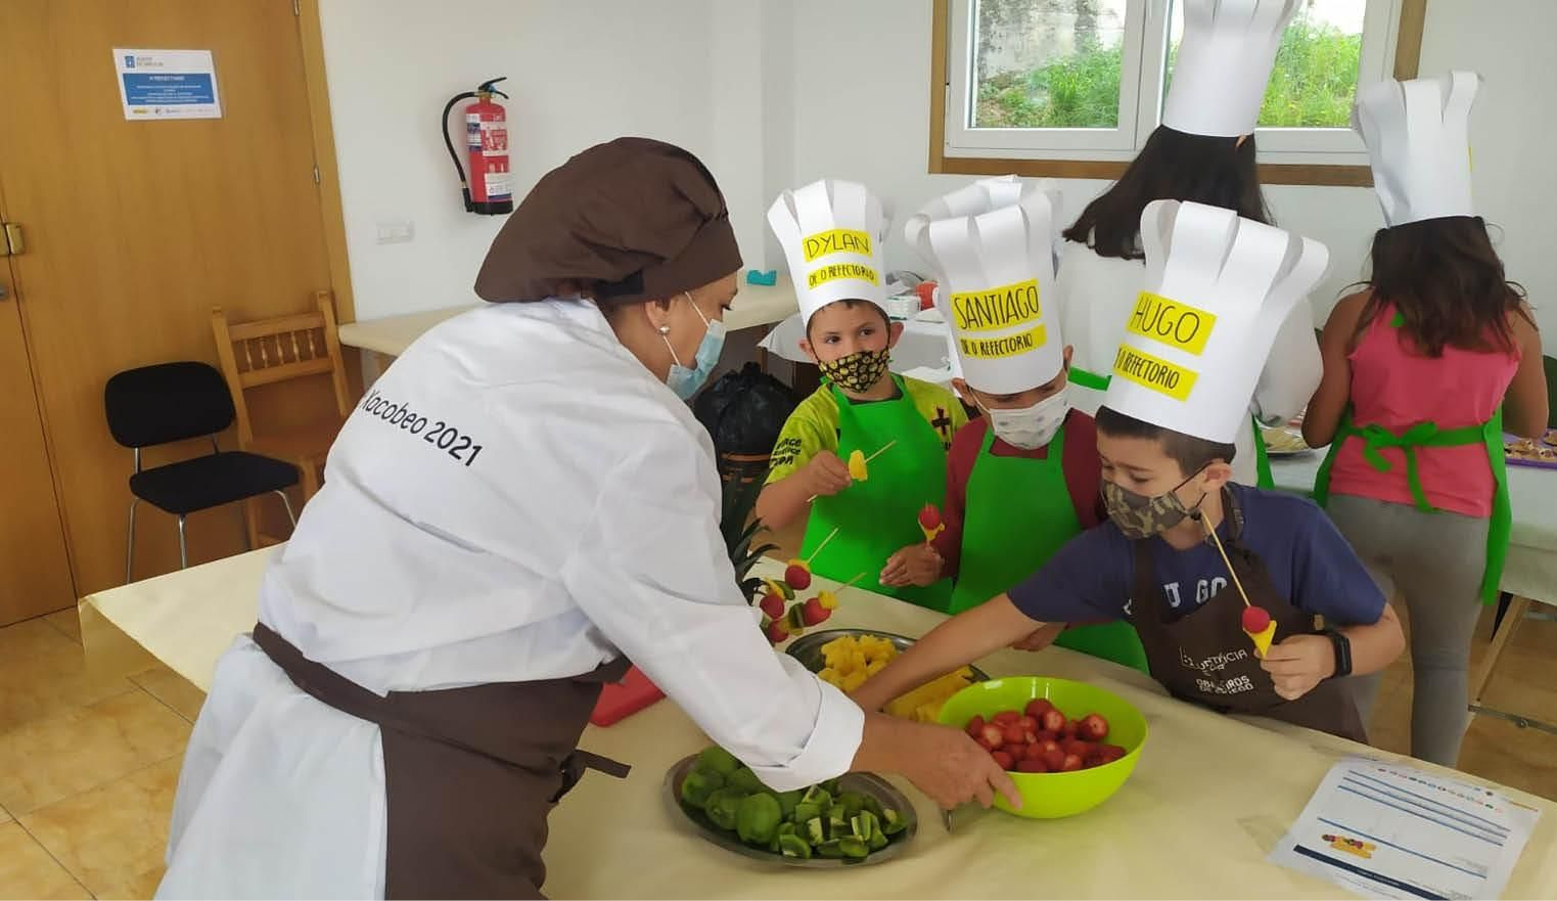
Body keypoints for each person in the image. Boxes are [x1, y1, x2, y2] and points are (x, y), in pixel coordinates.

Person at [157, 139, 1013, 900]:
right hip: (399, 785)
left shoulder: (453, 348)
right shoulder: (634, 429)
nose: (717, 332)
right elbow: (755, 711)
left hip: (266, 717)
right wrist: (914, 751)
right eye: (715, 308)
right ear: (658, 303)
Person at [854, 200, 1404, 742]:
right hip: (1197, 738)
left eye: (1139, 480)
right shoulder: (1117, 549)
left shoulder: (1292, 530)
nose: (1117, 490)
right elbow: (988, 625)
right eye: (1109, 468)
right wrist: (863, 703)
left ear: (1213, 475)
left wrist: (1330, 653)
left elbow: (1387, 634)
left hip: (1303, 740)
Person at [1304, 72, 1548, 766]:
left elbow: (1318, 431)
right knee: (1443, 665)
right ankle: (1427, 795)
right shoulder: (1513, 317)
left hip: (1359, 502)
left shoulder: (1359, 310)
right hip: (1458, 512)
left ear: (1393, 238)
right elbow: (1532, 423)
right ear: (1474, 236)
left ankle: (1330, 782)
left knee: (1357, 647)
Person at [1055, 0, 1321, 487]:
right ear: (1241, 150)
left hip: (1084, 450)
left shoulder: (1089, 236)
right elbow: (1284, 397)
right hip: (1197, 472)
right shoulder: (1259, 258)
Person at [901, 182, 1146, 671]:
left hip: (1086, 653)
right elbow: (955, 536)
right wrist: (931, 560)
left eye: (1048, 386)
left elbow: (1133, 561)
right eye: (1007, 398)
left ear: (1067, 364)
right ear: (966, 392)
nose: (1033, 406)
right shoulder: (967, 445)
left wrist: (1067, 616)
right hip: (975, 643)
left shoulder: (1096, 446)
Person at [757, 178, 965, 610]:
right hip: (836, 594)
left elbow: (967, 500)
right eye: (832, 340)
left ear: (893, 335)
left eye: (866, 333)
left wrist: (940, 557)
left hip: (928, 591)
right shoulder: (814, 418)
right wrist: (805, 480)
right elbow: (767, 516)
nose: (851, 350)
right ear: (809, 352)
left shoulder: (938, 405)